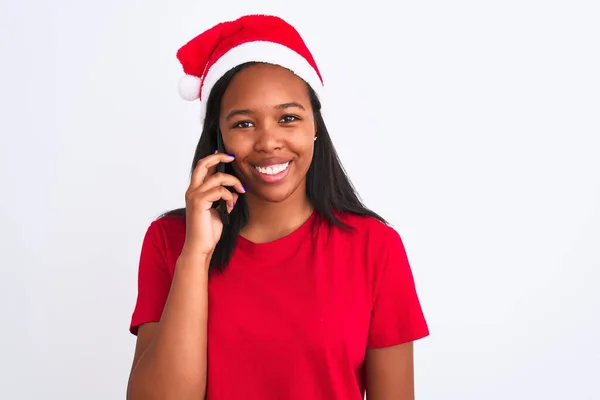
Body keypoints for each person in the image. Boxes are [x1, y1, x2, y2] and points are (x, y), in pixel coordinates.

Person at [126, 14, 429, 400]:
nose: (269, 142)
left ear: (315, 127)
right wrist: (196, 256)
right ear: (218, 136)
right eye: (244, 124)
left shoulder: (375, 247)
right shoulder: (171, 241)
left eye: (288, 118)